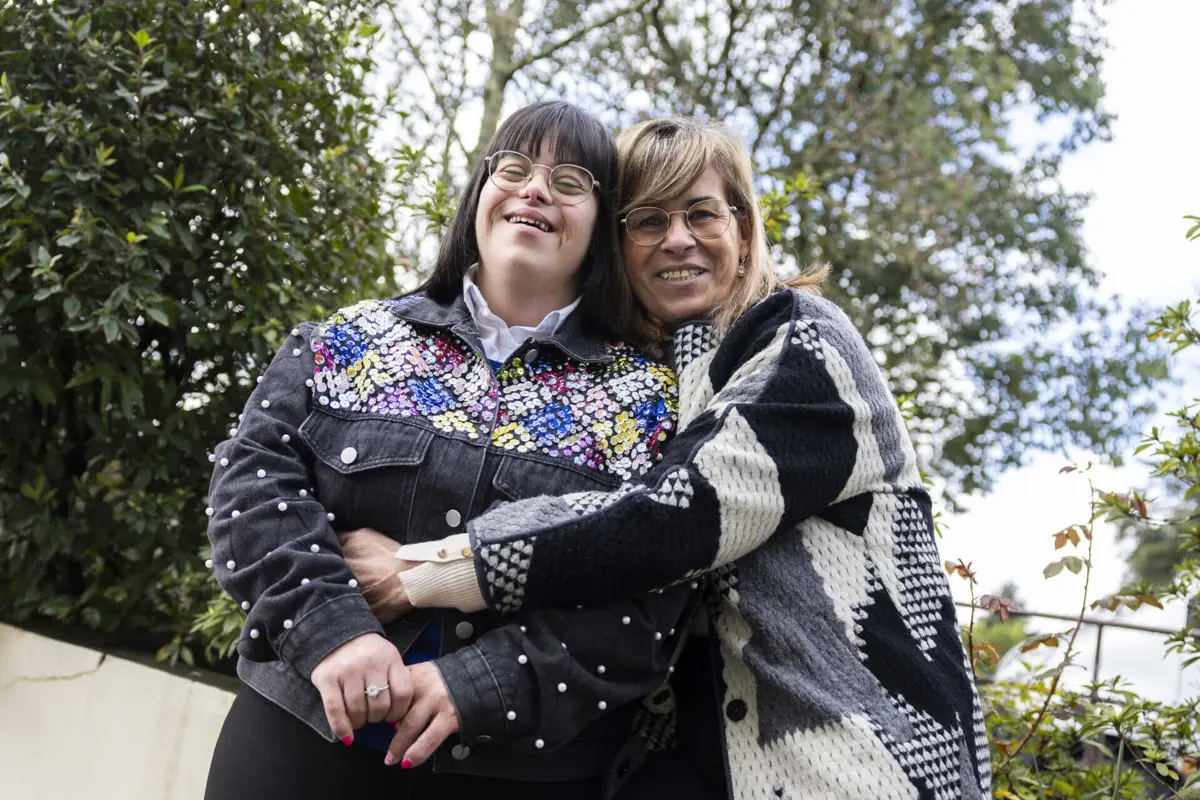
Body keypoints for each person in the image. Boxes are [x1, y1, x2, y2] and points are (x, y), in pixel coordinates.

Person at [367, 115, 993, 800]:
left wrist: (427, 569)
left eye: (701, 215)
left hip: (863, 760)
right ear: (618, 246)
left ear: (744, 229)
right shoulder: (660, 375)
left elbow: (676, 515)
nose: (677, 241)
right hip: (700, 759)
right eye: (647, 221)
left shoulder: (804, 345)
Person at [202, 100, 717, 800]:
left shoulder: (656, 405)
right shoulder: (345, 340)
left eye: (570, 182)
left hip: (519, 772)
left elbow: (645, 602)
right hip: (298, 737)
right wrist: (334, 633)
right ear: (480, 194)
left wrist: (477, 685)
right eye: (514, 168)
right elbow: (251, 491)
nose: (535, 189)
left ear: (601, 230)